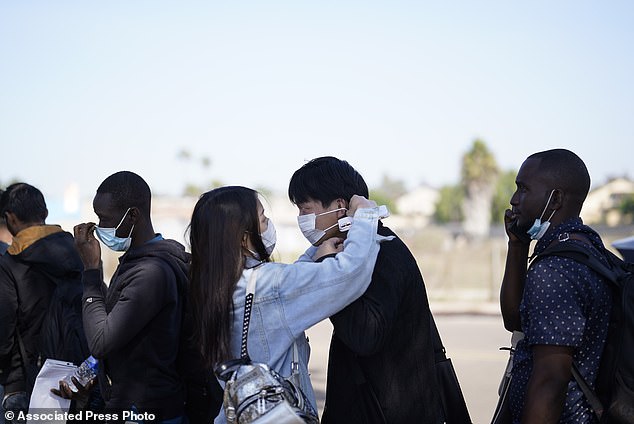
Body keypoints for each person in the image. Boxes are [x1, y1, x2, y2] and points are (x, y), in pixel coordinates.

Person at [188, 186, 387, 423]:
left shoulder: (214, 283)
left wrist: (315, 253)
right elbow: (349, 274)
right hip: (278, 414)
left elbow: (287, 284)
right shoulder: (268, 285)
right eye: (262, 219)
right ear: (243, 238)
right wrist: (365, 218)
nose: (268, 224)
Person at [288, 157, 441, 424]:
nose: (302, 219)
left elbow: (365, 335)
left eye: (306, 209)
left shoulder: (381, 252)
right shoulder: (350, 250)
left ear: (339, 208)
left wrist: (328, 267)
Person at [70, 171, 197, 423]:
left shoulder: (151, 273)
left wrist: (92, 273)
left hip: (148, 409)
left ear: (133, 215)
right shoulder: (137, 261)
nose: (97, 228)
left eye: (104, 219)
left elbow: (101, 341)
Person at [499, 148, 612, 423]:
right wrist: (518, 244)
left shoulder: (555, 271)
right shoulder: (587, 247)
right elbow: (517, 319)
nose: (514, 200)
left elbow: (550, 383)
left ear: (556, 198)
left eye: (523, 189)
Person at [0, 183, 85, 422]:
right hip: (78, 379)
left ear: (10, 218)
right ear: (45, 213)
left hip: (26, 383)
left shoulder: (10, 264)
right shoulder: (79, 252)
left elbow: (4, 334)